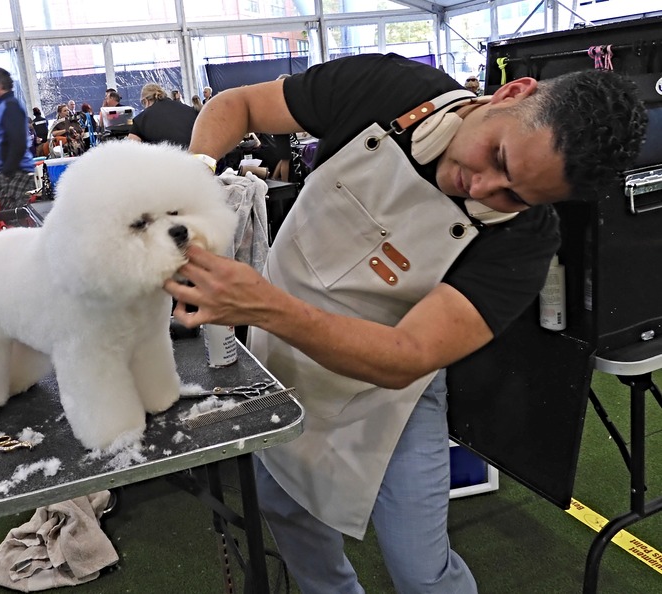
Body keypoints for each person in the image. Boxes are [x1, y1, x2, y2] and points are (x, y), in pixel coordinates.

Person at [163, 54, 647, 593]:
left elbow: (405, 357)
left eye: (514, 195)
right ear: (513, 95)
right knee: (289, 514)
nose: (482, 188)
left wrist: (260, 306)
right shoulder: (387, 86)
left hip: (390, 395)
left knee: (422, 570)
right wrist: (193, 184)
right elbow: (241, 104)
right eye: (497, 156)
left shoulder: (525, 242)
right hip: (281, 361)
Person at [0, 66, 36, 211]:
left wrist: (7, 172)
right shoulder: (2, 107)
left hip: (15, 174)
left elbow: (19, 142)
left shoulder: (10, 107)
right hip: (9, 175)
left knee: (17, 218)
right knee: (12, 217)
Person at [127, 83, 197, 149]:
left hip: (164, 160)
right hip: (194, 158)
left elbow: (132, 148)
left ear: (146, 101)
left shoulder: (141, 119)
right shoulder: (190, 110)